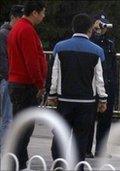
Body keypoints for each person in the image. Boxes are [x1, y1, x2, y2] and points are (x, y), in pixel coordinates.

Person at [47, 13, 108, 169]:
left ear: (73, 27)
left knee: (61, 134)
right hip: (87, 102)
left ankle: (58, 165)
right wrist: (103, 99)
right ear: (90, 29)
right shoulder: (97, 51)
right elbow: (99, 79)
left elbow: (55, 74)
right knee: (81, 138)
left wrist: (52, 94)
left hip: (65, 100)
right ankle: (78, 166)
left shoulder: (59, 47)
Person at [7, 1, 47, 169]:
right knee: (25, 126)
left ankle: (18, 160)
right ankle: (18, 162)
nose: (44, 16)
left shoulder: (18, 28)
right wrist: (40, 85)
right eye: (43, 12)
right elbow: (31, 61)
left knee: (21, 125)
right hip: (25, 85)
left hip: (17, 83)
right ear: (35, 13)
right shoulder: (27, 30)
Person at [86, 11, 117, 158]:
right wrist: (96, 33)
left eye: (104, 25)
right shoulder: (90, 41)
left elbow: (113, 66)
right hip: (93, 85)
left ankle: (101, 149)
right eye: (100, 24)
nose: (102, 28)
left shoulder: (110, 43)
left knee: (105, 120)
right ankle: (86, 149)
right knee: (90, 118)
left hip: (108, 84)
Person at [0, 4, 24, 150]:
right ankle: (3, 150)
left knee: (10, 118)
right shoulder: (4, 34)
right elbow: (3, 58)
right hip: (7, 80)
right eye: (21, 18)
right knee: (7, 119)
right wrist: (9, 77)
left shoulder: (14, 33)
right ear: (14, 17)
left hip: (12, 80)